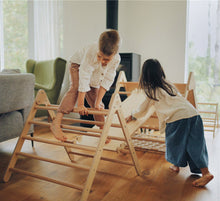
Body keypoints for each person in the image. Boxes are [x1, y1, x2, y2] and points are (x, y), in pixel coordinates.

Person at [126, 59, 214, 187]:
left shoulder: (151, 90)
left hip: (177, 118)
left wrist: (132, 115)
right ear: (160, 71)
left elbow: (142, 109)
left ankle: (175, 165)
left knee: (174, 143)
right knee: (196, 145)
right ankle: (206, 173)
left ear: (145, 75)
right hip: (193, 113)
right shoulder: (168, 84)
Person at [51, 29, 121, 143]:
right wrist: (81, 104)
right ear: (98, 49)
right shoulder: (91, 52)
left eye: (106, 59)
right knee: (75, 88)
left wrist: (98, 102)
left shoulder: (116, 60)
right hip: (78, 64)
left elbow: (107, 80)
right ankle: (56, 123)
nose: (102, 61)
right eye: (100, 56)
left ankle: (103, 129)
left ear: (114, 55)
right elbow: (84, 76)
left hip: (95, 71)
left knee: (96, 101)